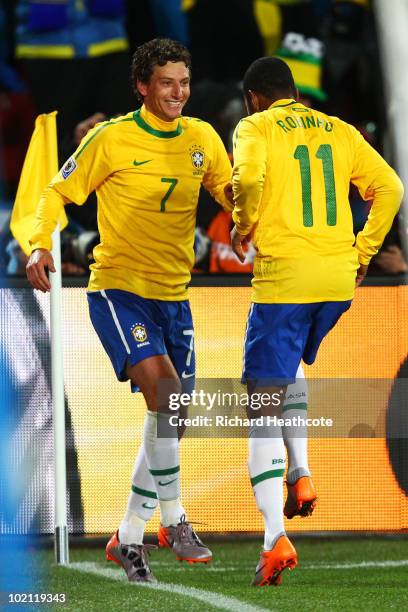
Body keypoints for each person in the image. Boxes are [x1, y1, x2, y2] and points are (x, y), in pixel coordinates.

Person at [26, 38, 233, 583]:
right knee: (167, 397)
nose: (178, 92)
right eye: (167, 82)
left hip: (174, 295)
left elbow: (231, 194)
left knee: (174, 416)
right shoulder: (110, 138)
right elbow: (56, 193)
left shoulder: (202, 138)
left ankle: (128, 537)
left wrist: (254, 215)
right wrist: (41, 244)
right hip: (118, 289)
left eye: (184, 82)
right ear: (142, 86)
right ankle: (175, 520)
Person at [230, 56, 403, 586]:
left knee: (260, 400)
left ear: (254, 97)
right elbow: (391, 188)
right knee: (286, 371)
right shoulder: (341, 130)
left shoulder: (255, 126)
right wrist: (365, 250)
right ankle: (301, 472)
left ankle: (272, 536)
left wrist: (243, 224)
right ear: (295, 91)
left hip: (286, 280)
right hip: (336, 281)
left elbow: (251, 179)